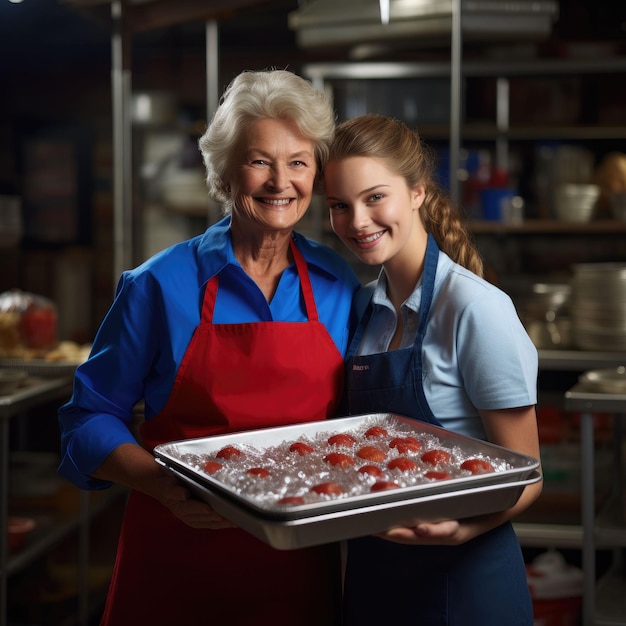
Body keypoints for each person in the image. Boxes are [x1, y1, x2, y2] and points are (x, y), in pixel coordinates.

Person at [57, 69, 360, 626]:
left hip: (297, 565)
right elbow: (87, 418)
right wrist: (160, 485)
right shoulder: (158, 284)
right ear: (224, 169)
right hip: (176, 553)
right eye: (259, 160)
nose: (280, 182)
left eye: (298, 162)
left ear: (316, 172)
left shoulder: (339, 282)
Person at [322, 113, 543, 626]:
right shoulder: (361, 309)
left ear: (418, 192)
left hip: (464, 582)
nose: (357, 221)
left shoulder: (474, 309)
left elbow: (527, 475)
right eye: (339, 205)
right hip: (374, 580)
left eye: (375, 197)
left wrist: (462, 529)